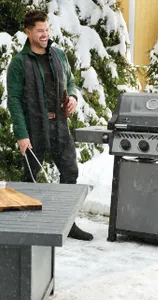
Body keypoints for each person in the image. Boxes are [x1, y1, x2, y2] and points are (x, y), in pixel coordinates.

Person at [6, 10, 93, 241]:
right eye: (40, 31)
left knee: (70, 172)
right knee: (31, 178)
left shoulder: (58, 55)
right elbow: (13, 101)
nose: (45, 35)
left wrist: (73, 97)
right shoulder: (19, 63)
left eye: (47, 30)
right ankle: (27, 227)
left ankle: (68, 221)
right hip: (34, 128)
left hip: (60, 125)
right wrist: (22, 134)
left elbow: (71, 81)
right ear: (28, 32)